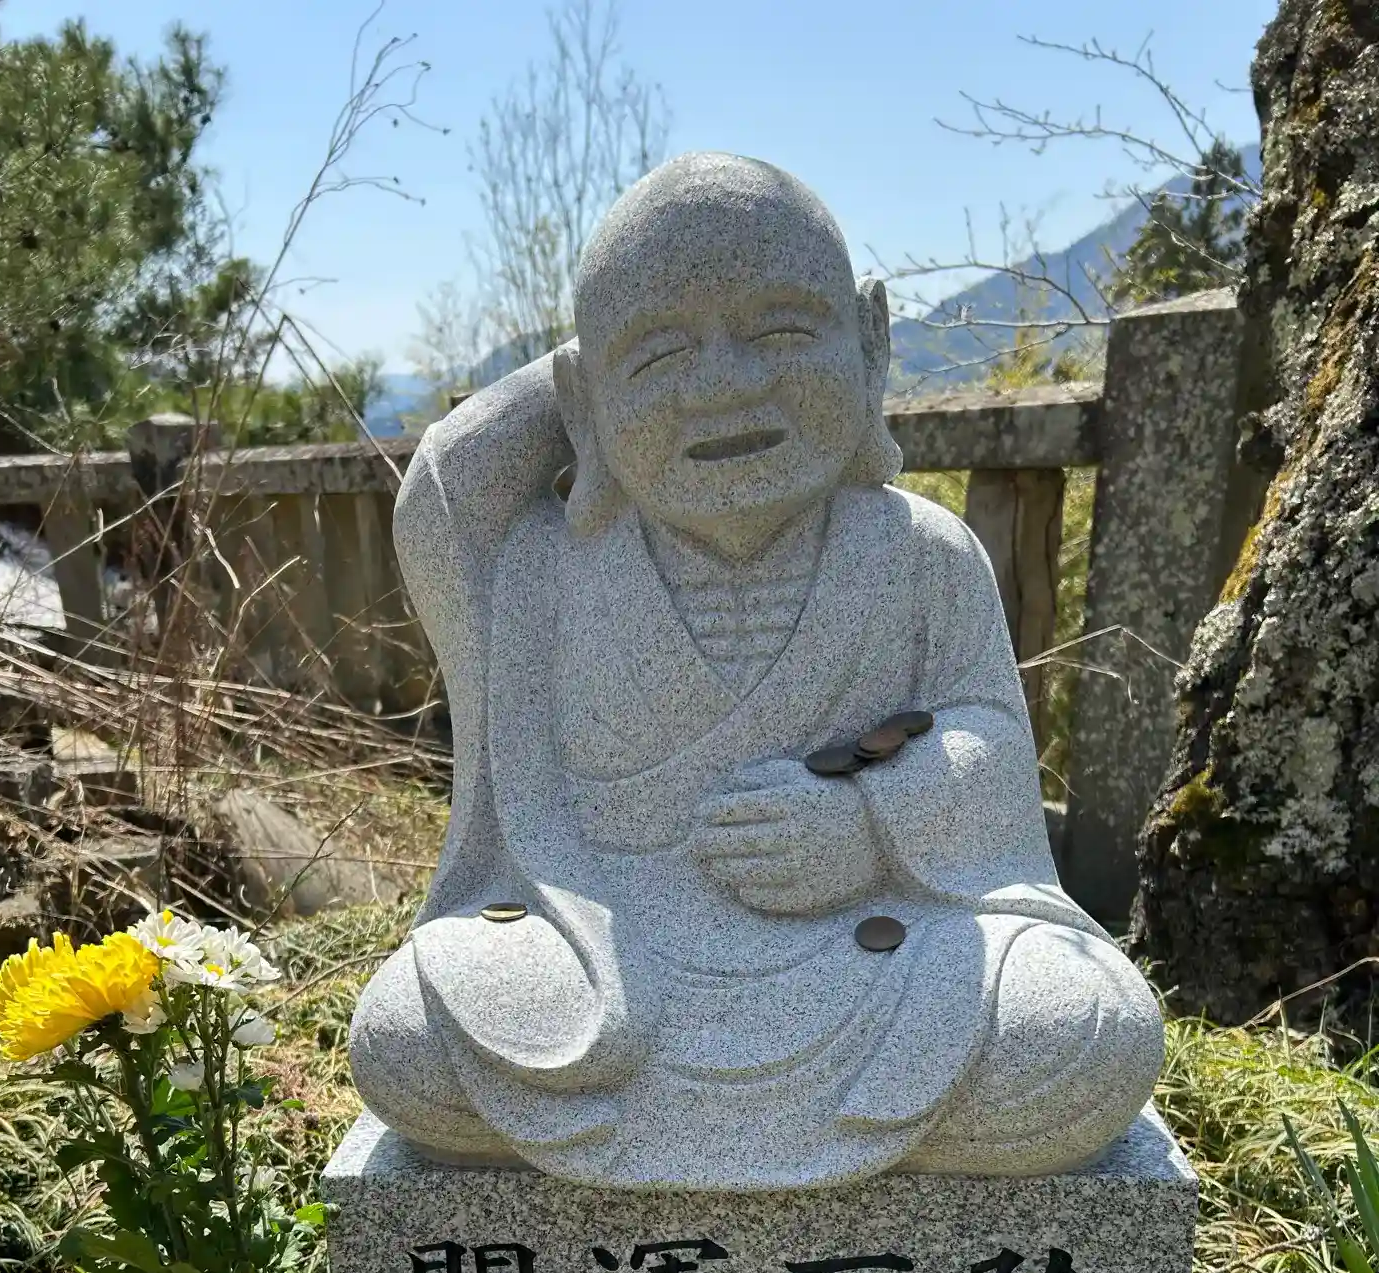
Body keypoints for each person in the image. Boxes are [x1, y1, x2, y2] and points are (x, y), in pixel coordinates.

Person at [350, 153, 1164, 1190]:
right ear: (581, 396)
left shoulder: (921, 554)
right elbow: (446, 493)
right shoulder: (543, 567)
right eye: (658, 359)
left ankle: (699, 1134)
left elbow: (988, 743)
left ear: (870, 343)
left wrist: (868, 824)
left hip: (869, 958)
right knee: (405, 1039)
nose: (724, 387)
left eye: (782, 333)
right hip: (607, 961)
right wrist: (590, 371)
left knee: (1087, 1028)